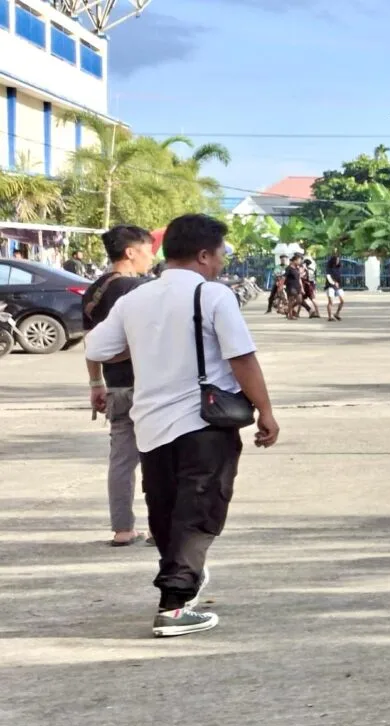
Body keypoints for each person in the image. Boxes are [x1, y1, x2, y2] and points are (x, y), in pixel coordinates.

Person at [82, 212, 281, 638]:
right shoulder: (213, 297)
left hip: (150, 425)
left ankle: (181, 586)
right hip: (203, 423)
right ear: (204, 254)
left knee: (167, 511)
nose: (223, 261)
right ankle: (174, 606)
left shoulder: (135, 299)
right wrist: (265, 410)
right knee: (200, 511)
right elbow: (241, 358)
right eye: (221, 253)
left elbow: (98, 346)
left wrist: (143, 344)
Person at [82, 224, 156, 547]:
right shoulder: (137, 289)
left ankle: (123, 529)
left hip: (115, 389)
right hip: (147, 387)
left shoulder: (93, 290)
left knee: (121, 460)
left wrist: (96, 382)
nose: (151, 256)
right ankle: (159, 526)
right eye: (147, 249)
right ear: (130, 252)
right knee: (157, 456)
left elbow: (91, 343)